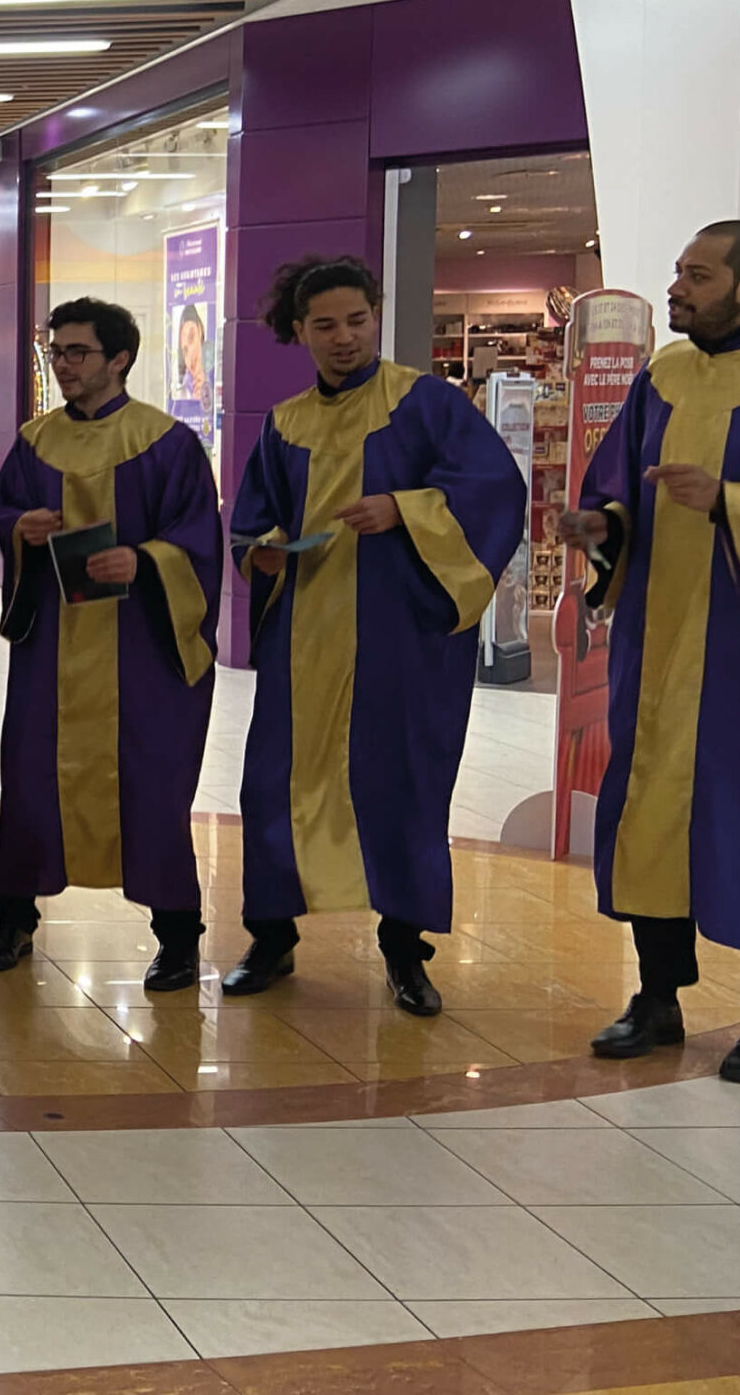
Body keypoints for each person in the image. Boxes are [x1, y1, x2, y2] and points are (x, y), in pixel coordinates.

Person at [227, 256, 527, 1014]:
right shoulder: (284, 423)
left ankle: (404, 951)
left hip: (402, 637)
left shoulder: (425, 403)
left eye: (357, 321)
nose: (344, 338)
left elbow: (492, 489)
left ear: (376, 318)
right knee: (277, 785)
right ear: (298, 332)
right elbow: (253, 514)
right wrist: (259, 548)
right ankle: (272, 936)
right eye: (324, 325)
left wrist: (407, 509)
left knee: (401, 786)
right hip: (305, 636)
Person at [560, 221, 740, 1081]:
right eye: (678, 273)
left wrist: (735, 502)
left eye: (697, 276)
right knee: (652, 810)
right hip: (658, 641)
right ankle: (658, 995)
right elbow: (617, 484)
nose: (677, 289)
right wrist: (603, 525)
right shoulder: (661, 378)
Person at [0, 300, 222, 989]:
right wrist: (20, 527)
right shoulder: (34, 441)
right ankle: (14, 917)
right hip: (53, 646)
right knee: (31, 779)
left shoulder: (167, 442)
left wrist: (146, 561)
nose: (63, 364)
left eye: (78, 352)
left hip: (141, 651)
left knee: (151, 786)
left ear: (119, 359)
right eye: (56, 351)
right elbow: (4, 514)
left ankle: (177, 936)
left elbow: (197, 542)